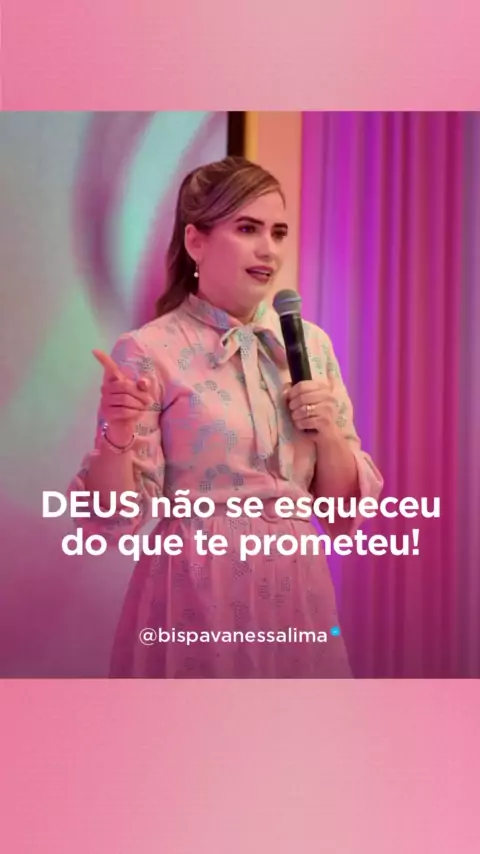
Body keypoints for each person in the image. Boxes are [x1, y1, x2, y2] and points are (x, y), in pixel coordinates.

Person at [70, 155, 383, 678]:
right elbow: (112, 519)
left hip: (296, 585)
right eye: (247, 228)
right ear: (196, 241)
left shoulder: (311, 345)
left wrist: (328, 432)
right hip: (198, 583)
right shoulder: (149, 349)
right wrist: (117, 437)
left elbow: (341, 512)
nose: (268, 249)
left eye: (278, 232)